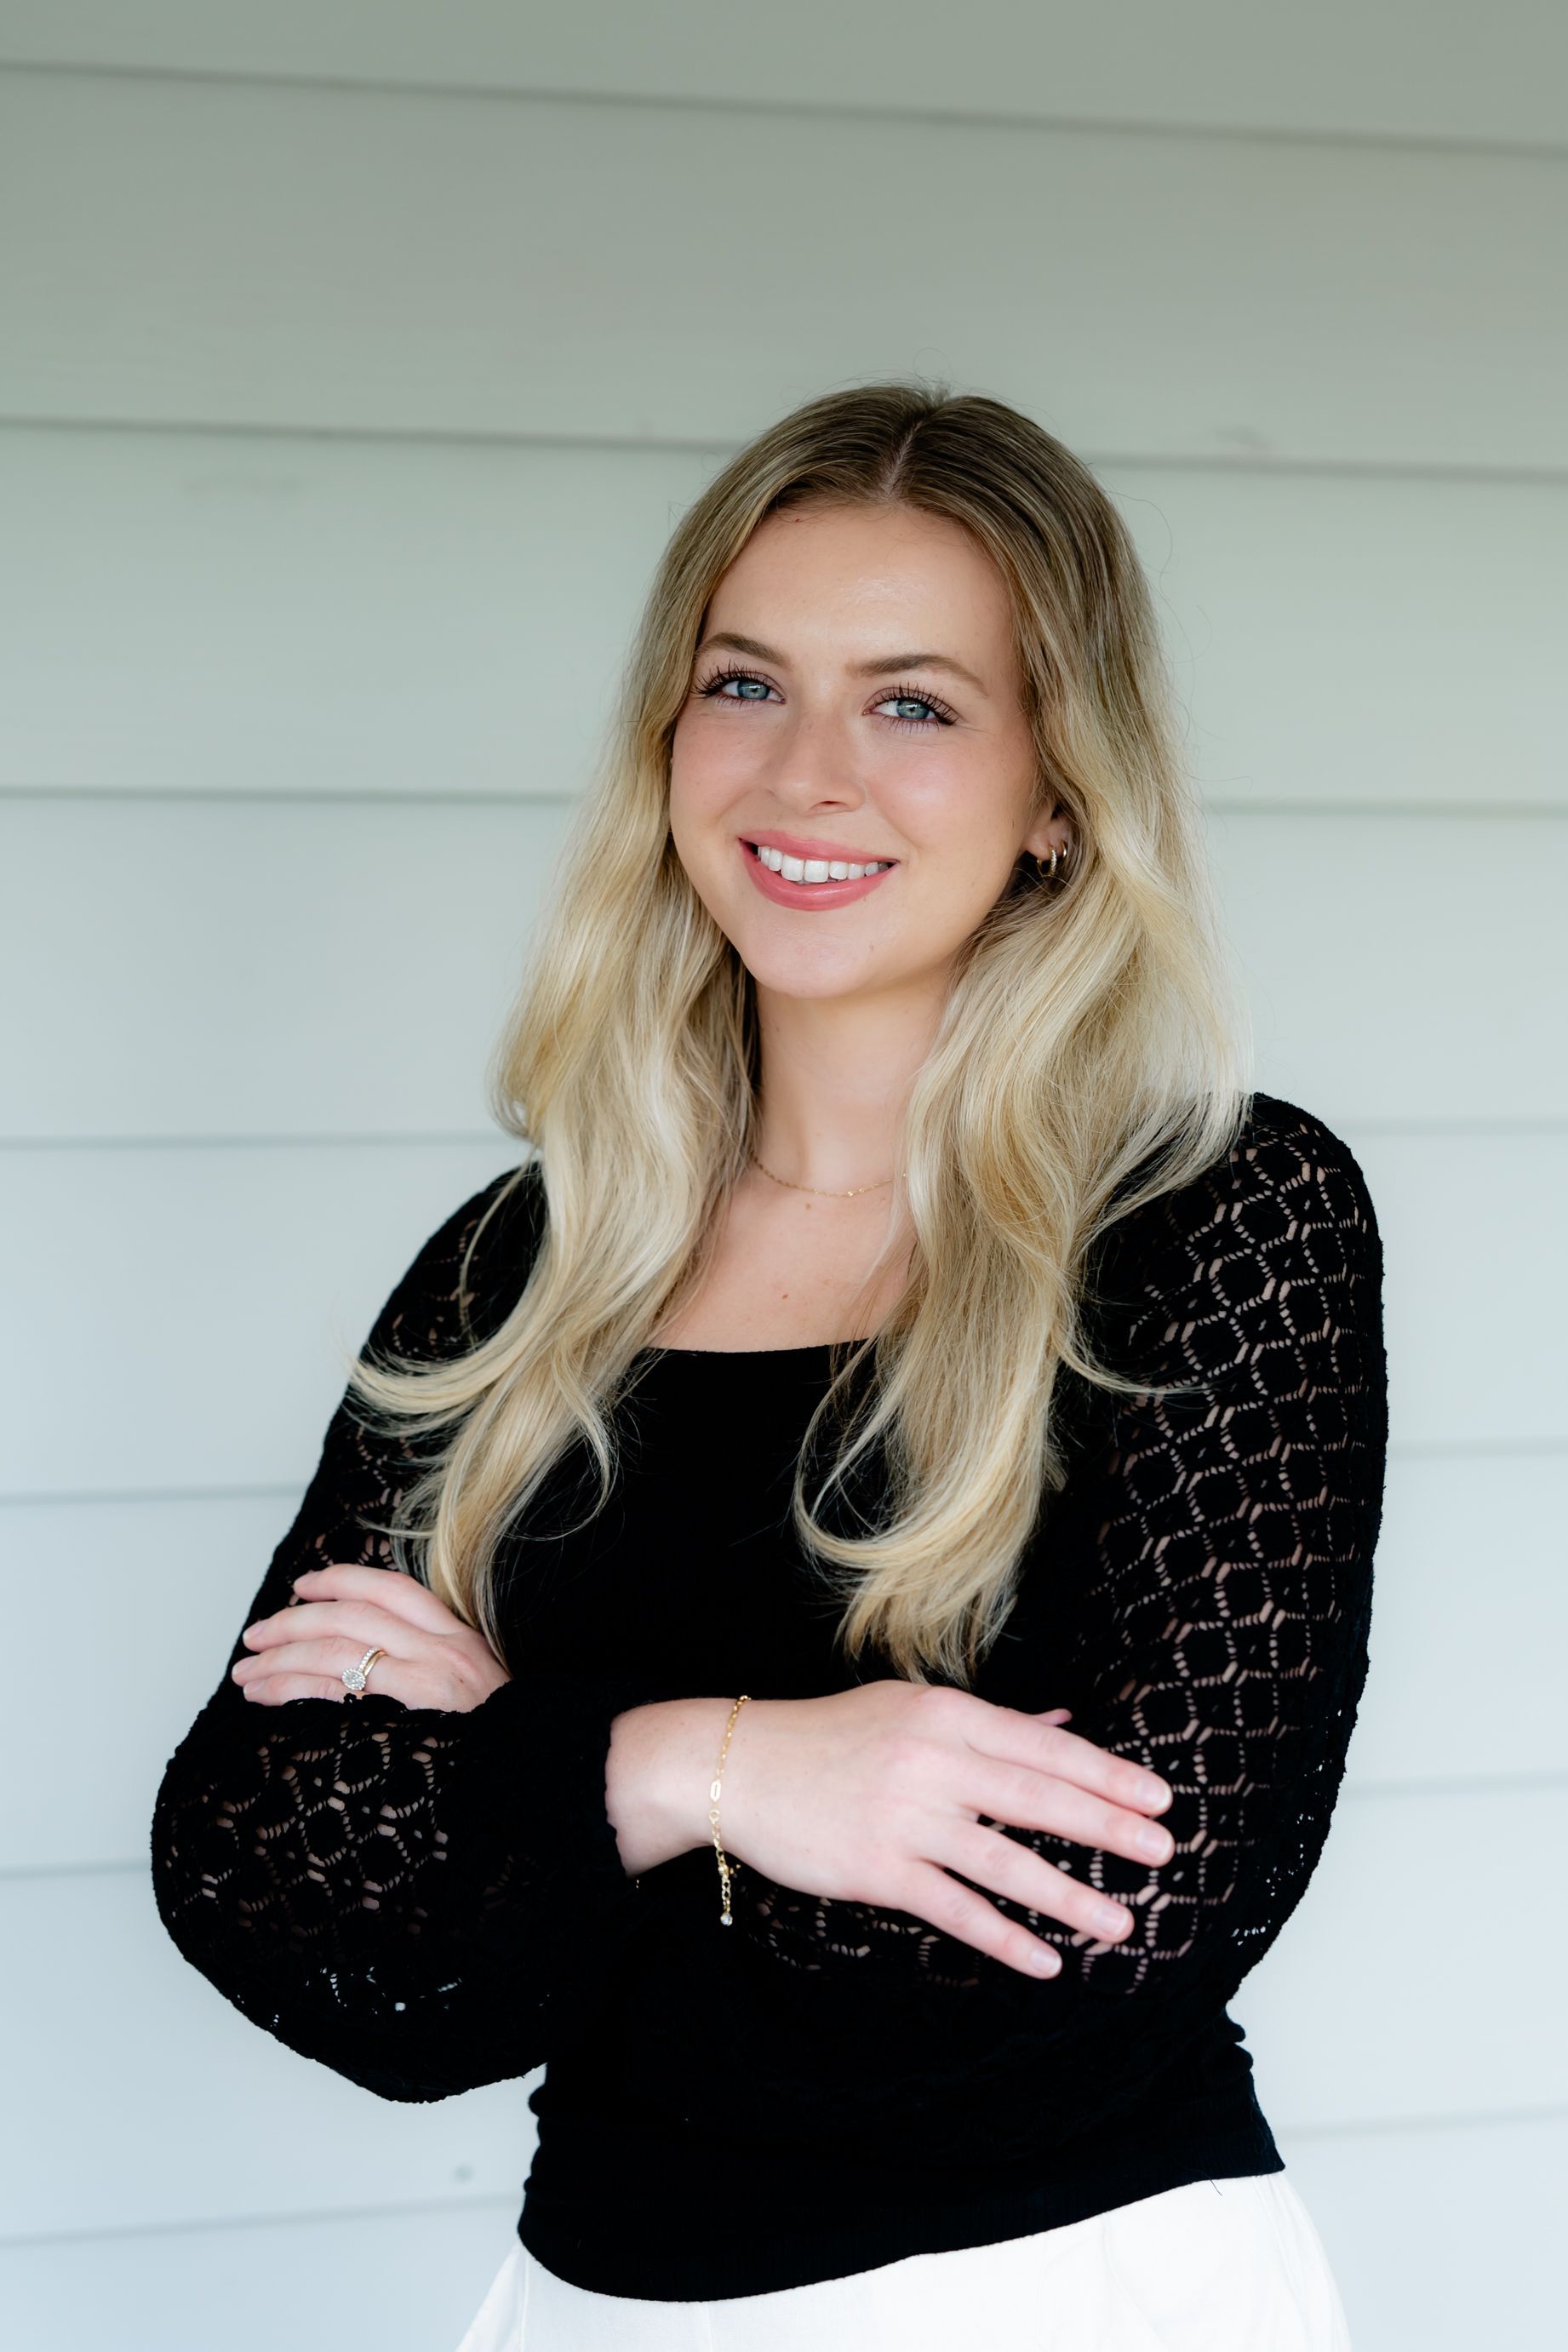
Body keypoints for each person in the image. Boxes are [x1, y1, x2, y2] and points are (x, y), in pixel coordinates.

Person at [152, 382, 1386, 2349]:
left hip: (1066, 2292)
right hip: (587, 2301)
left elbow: (1088, 1939)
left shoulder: (1218, 1221)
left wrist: (522, 1755)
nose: (806, 775)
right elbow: (281, 1891)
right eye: (746, 684)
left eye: (915, 702)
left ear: (1059, 790)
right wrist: (707, 1762)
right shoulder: (514, 1272)